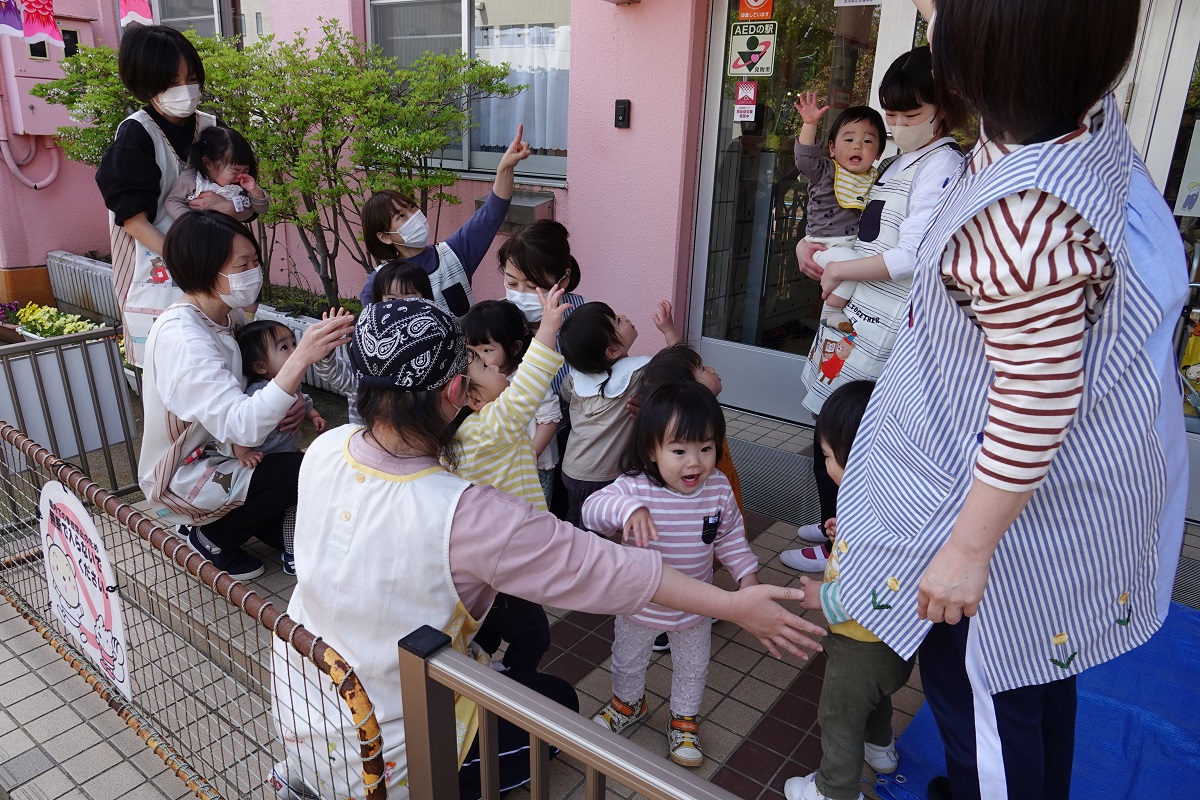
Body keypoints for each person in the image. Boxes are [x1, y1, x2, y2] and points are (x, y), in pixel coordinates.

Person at [834, 2, 1188, 799]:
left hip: (994, 531)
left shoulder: (1024, 221)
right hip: (1027, 522)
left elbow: (1036, 401)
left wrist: (965, 553)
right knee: (1035, 676)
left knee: (982, 693)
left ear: (993, 50)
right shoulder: (1081, 113)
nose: (932, 27)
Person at [269, 299, 826, 800]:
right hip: (389, 755)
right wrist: (734, 605)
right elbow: (606, 569)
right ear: (455, 393)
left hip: (300, 705)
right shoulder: (468, 514)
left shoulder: (325, 447)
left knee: (539, 686)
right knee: (558, 708)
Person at [784, 45, 965, 573]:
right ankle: (829, 520)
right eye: (892, 114)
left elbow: (913, 255)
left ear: (945, 109)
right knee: (825, 422)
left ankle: (841, 545)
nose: (897, 125)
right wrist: (812, 248)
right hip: (852, 322)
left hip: (881, 330)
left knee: (846, 436)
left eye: (910, 116)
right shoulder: (901, 161)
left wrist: (839, 271)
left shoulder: (943, 167)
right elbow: (861, 232)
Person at [137, 211, 353, 581]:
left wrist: (297, 402)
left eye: (256, 261)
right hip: (186, 471)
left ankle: (229, 524)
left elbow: (253, 397)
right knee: (305, 472)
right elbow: (243, 426)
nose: (255, 271)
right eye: (243, 264)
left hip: (231, 454)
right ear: (206, 268)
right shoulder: (183, 337)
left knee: (289, 520)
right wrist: (300, 358)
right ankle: (210, 538)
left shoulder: (226, 318)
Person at [586, 383, 759, 769]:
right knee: (628, 659)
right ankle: (628, 704)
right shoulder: (634, 486)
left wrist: (747, 577)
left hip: (695, 605)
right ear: (652, 450)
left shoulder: (717, 487)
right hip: (638, 603)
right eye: (679, 451)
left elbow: (729, 536)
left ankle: (684, 721)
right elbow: (591, 512)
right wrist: (627, 510)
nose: (694, 463)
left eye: (706, 448)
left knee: (693, 667)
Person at [782, 380, 913, 800]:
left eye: (826, 456)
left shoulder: (872, 517)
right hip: (897, 645)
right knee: (874, 702)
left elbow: (871, 587)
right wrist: (843, 537)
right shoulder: (899, 501)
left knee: (839, 718)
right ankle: (882, 751)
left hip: (860, 646)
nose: (826, 465)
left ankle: (833, 791)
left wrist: (821, 596)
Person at [453, 290, 570, 675]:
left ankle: (481, 670)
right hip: (511, 554)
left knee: (486, 627)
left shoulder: (458, 435)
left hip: (482, 555)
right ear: (471, 398)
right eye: (484, 368)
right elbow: (528, 386)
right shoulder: (493, 424)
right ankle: (512, 697)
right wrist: (549, 328)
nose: (496, 369)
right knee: (533, 636)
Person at [96, 24, 225, 367]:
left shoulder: (211, 128)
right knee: (170, 368)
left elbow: (235, 190)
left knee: (218, 361)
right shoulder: (136, 135)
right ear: (145, 84)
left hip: (212, 265)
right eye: (172, 82)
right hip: (157, 269)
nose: (185, 89)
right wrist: (188, 261)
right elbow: (133, 221)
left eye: (191, 78)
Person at [357, 125, 532, 316]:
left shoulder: (454, 253)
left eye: (412, 208)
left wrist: (504, 168)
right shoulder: (378, 282)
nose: (413, 216)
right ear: (384, 237)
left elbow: (492, 213)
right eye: (400, 216)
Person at [557, 301, 671, 527]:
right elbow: (677, 366)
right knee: (597, 533)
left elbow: (565, 394)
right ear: (613, 351)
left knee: (576, 521)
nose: (623, 315)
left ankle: (567, 554)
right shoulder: (639, 373)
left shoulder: (575, 377)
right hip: (603, 477)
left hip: (571, 470)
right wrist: (668, 331)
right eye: (617, 321)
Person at [233, 320, 329, 575]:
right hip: (270, 461)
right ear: (260, 366)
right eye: (284, 348)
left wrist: (314, 416)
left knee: (302, 503)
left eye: (293, 344)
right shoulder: (258, 393)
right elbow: (239, 426)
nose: (295, 350)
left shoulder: (291, 384)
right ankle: (291, 553)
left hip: (289, 456)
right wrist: (243, 453)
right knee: (293, 508)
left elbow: (305, 402)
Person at [791, 96, 886, 329]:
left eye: (867, 141)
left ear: (878, 153)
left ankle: (836, 310)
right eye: (850, 139)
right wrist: (810, 124)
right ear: (832, 148)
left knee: (855, 266)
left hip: (849, 247)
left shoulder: (876, 179)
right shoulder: (825, 171)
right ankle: (831, 310)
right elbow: (804, 159)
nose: (857, 146)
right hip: (824, 246)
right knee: (853, 266)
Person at [459, 298, 560, 509]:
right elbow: (535, 373)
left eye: (486, 351)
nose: (486, 362)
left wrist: (531, 455)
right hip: (514, 485)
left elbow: (548, 417)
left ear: (514, 348)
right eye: (473, 353)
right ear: (475, 400)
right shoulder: (490, 419)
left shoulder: (520, 383)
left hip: (532, 468)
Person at [313, 259, 435, 428]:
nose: (400, 306)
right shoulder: (366, 345)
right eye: (391, 298)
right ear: (377, 302)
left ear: (427, 300)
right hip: (367, 442)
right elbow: (340, 377)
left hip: (418, 439)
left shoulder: (434, 343)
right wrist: (326, 352)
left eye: (411, 297)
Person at [165, 126, 269, 222]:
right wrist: (190, 221)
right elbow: (173, 201)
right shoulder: (192, 180)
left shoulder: (238, 187)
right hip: (197, 233)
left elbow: (262, 209)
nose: (241, 175)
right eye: (235, 171)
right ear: (208, 163)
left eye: (245, 170)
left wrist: (254, 190)